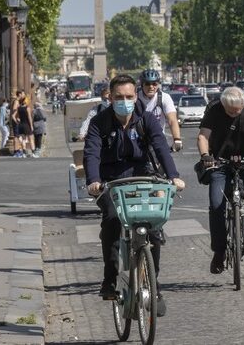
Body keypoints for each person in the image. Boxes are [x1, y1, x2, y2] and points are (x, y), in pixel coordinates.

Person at [83, 74, 185, 317]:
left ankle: (153, 281)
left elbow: (160, 146)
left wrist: (173, 175)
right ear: (110, 97)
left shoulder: (146, 119)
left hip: (143, 176)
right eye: (119, 97)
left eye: (129, 97)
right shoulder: (100, 122)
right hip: (111, 181)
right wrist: (94, 181)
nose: (125, 101)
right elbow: (91, 153)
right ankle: (109, 278)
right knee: (111, 219)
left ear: (135, 95)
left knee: (153, 224)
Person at [197, 86, 244, 274]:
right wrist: (205, 156)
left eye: (238, 110)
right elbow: (203, 135)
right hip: (220, 159)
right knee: (216, 204)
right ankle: (219, 251)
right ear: (223, 105)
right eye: (230, 111)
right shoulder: (214, 109)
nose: (235, 113)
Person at [136, 69, 183, 152]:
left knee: (166, 162)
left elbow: (172, 120)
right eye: (147, 84)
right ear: (142, 85)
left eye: (154, 84)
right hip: (138, 139)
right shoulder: (135, 98)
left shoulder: (164, 98)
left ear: (158, 85)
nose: (151, 87)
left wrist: (177, 139)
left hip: (157, 138)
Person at [12, 90, 34, 158]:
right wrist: (31, 126)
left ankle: (23, 152)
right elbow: (29, 117)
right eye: (23, 94)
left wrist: (17, 119)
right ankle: (33, 152)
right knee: (30, 138)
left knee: (23, 138)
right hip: (25, 124)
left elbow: (13, 115)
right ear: (20, 95)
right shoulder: (19, 103)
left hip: (21, 124)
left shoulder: (19, 108)